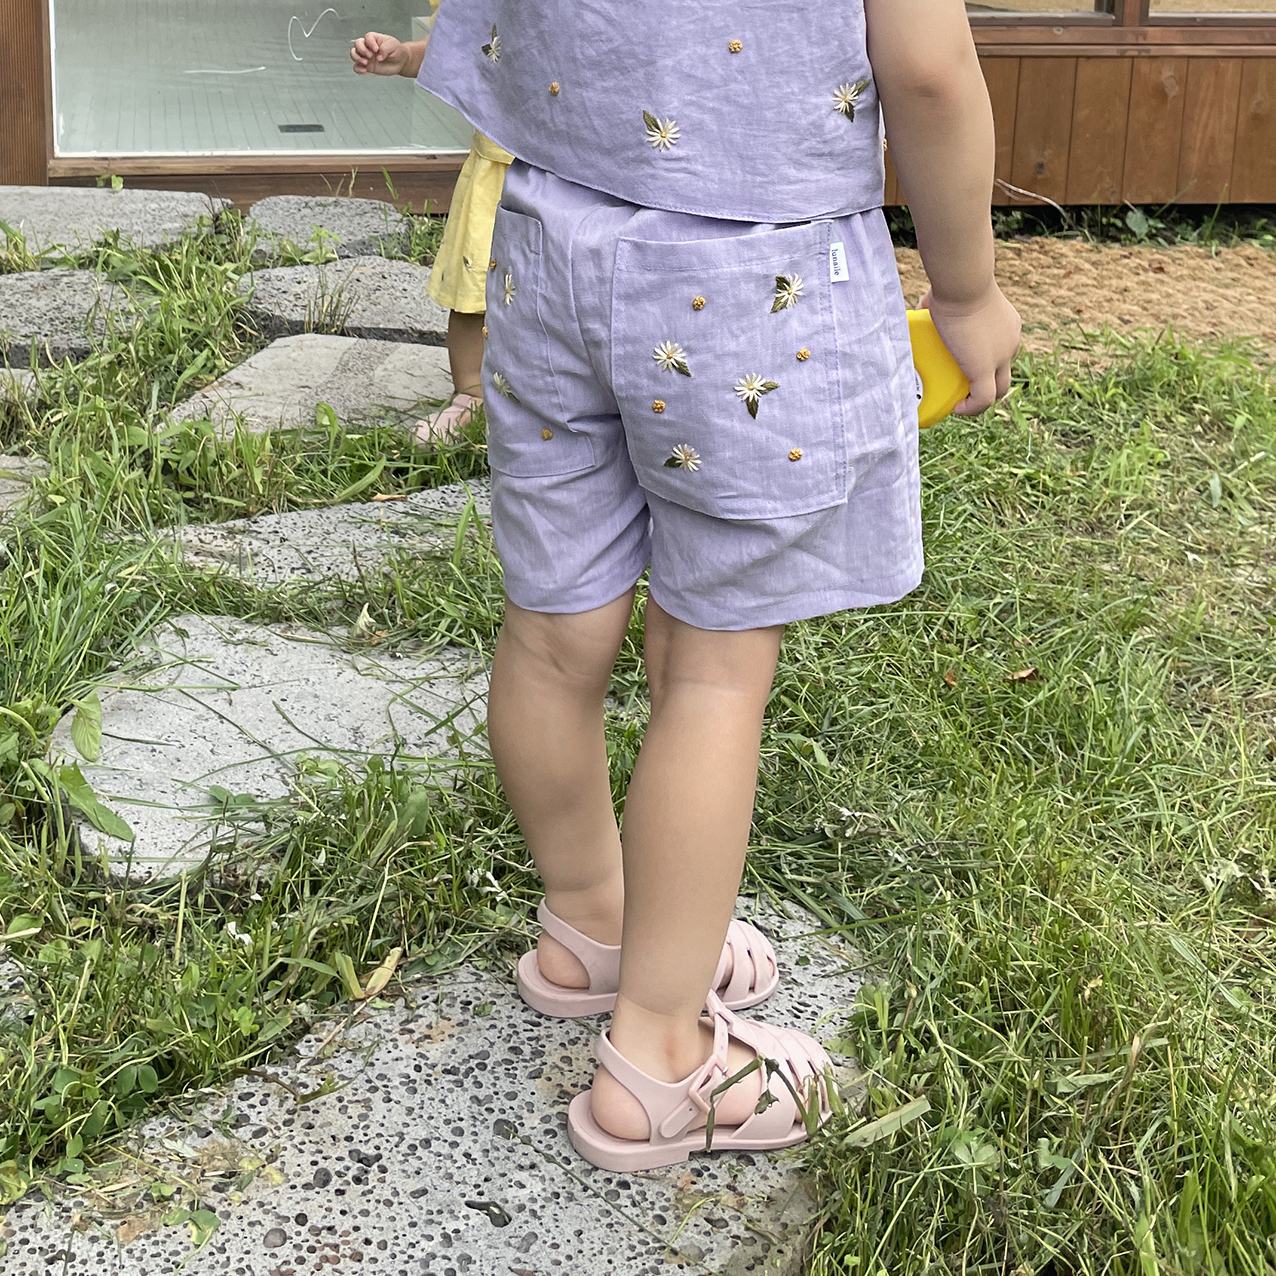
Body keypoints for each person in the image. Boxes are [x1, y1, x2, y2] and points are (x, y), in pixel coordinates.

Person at [414, 0, 1021, 1171]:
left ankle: (590, 922)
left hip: (548, 238)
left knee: (549, 632)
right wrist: (965, 288)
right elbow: (929, 71)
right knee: (712, 671)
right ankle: (660, 1055)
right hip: (750, 272)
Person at [351, 19, 511, 444]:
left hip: (584, 174)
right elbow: (456, 41)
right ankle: (471, 394)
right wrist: (406, 55)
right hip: (500, 164)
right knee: (474, 289)